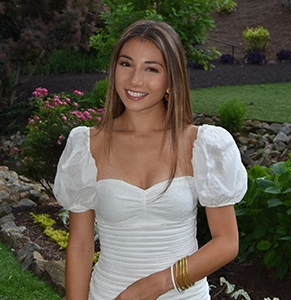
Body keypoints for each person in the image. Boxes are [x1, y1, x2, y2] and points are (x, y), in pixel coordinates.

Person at [53, 19, 248, 300]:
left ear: (172, 79)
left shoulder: (201, 144)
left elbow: (227, 242)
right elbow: (81, 246)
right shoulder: (87, 145)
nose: (135, 80)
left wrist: (151, 287)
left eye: (151, 69)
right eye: (126, 64)